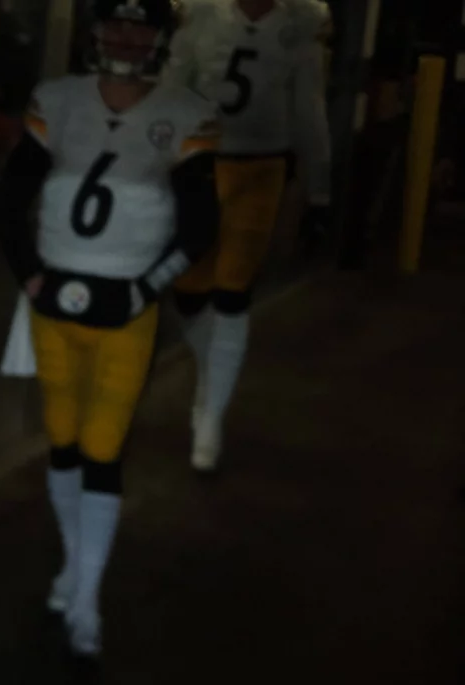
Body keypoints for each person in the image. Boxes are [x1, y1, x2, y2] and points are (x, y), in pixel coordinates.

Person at [0, 0, 221, 658]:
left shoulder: (184, 110)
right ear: (93, 29)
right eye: (115, 21)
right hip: (54, 297)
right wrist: (32, 275)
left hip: (127, 303)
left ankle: (85, 598)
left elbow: (203, 224)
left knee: (103, 446)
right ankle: (75, 570)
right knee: (62, 440)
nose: (124, 35)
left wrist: (148, 284)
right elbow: (7, 200)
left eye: (139, 24)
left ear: (160, 36)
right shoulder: (57, 99)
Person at [165, 0, 333, 471]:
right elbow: (172, 88)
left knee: (234, 292)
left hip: (261, 169)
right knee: (189, 291)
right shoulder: (203, 15)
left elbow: (308, 111)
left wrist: (319, 191)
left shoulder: (298, 27)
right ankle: (209, 376)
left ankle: (212, 416)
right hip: (200, 163)